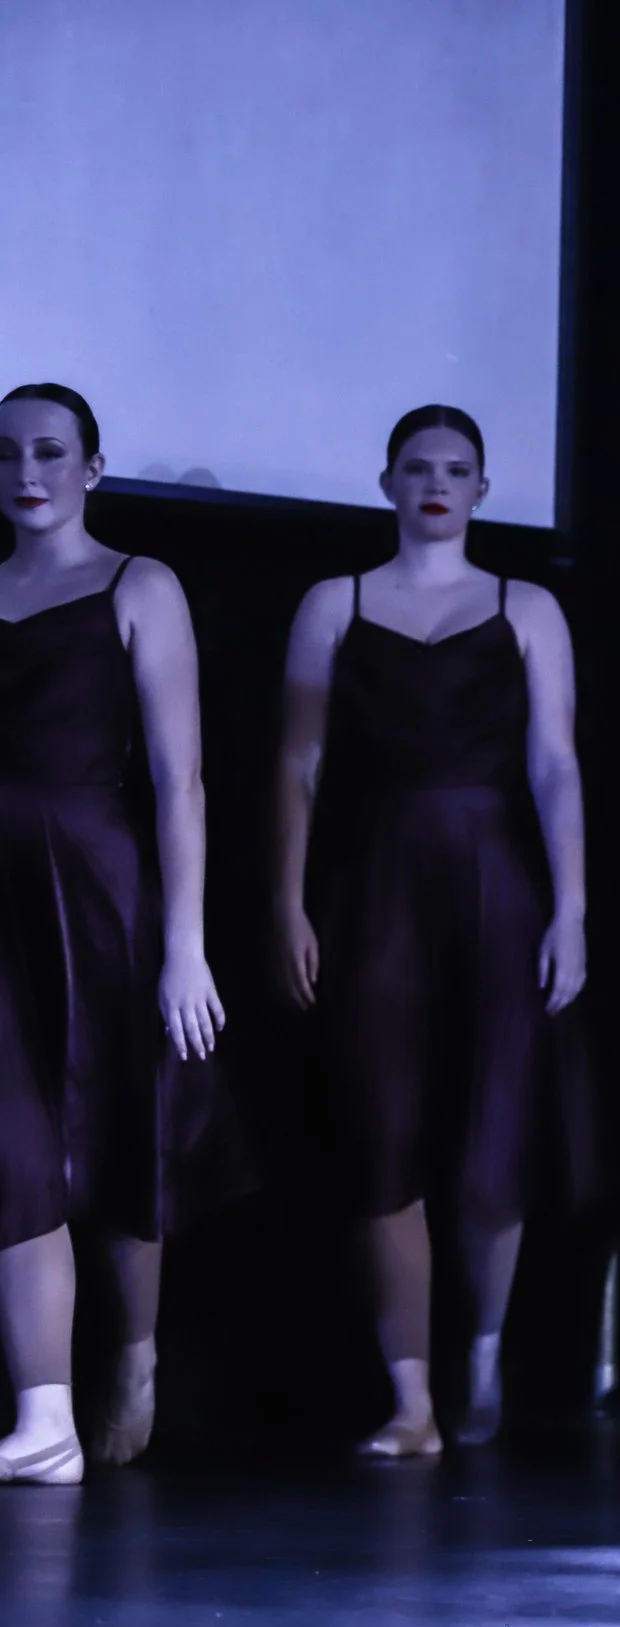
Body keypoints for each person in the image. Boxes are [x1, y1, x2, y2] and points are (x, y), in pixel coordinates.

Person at [275, 405, 593, 1459]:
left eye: (456, 469)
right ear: (386, 481)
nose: (436, 484)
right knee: (384, 1125)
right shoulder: (335, 604)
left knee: (497, 1124)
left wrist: (574, 907)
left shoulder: (527, 606)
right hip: (377, 882)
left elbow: (555, 762)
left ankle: (486, 1353)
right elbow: (299, 764)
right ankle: (409, 1395)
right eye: (417, 468)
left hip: (498, 875)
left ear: (483, 488)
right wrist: (286, 897)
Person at [0, 385, 230, 1483]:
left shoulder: (141, 583)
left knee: (122, 1127)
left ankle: (134, 1351)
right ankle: (42, 1414)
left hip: (92, 879)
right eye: (7, 453)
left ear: (93, 466)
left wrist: (185, 943)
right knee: (14, 1140)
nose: (26, 470)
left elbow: (180, 777)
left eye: (50, 451)